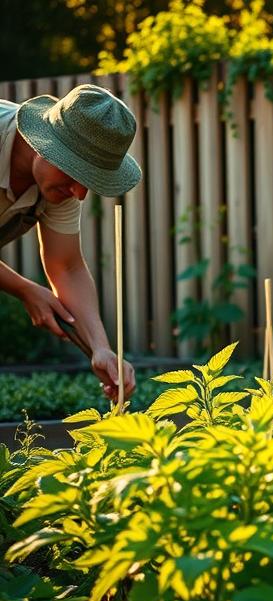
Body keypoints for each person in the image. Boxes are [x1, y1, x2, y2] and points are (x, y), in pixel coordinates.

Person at [0, 84, 140, 403]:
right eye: (76, 175)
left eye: (89, 180)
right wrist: (25, 288)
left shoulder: (58, 184)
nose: (79, 194)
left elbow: (67, 266)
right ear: (44, 145)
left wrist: (100, 347)